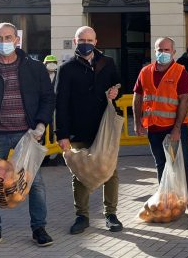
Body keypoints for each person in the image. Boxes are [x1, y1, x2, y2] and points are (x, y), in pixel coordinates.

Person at [0, 22, 56, 251]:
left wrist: (41, 125)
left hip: (27, 135)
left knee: (35, 184)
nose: (3, 42)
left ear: (17, 40)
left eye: (8, 37)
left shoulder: (33, 68)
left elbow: (48, 97)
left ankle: (39, 228)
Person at [55, 26, 122, 235]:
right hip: (78, 128)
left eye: (89, 40)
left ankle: (111, 214)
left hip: (104, 127)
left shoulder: (108, 63)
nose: (86, 43)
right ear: (75, 42)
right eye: (81, 39)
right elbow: (61, 103)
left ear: (96, 41)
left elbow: (119, 84)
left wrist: (115, 91)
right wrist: (62, 134)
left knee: (110, 170)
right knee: (80, 172)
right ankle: (81, 216)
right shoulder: (66, 69)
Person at [133, 37, 188, 212]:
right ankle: (166, 199)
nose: (162, 53)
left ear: (173, 52)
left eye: (166, 50)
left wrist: (177, 129)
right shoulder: (145, 72)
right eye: (159, 50)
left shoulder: (180, 72)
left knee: (183, 164)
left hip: (174, 128)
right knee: (161, 163)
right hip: (154, 128)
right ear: (154, 51)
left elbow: (184, 100)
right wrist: (138, 122)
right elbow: (137, 97)